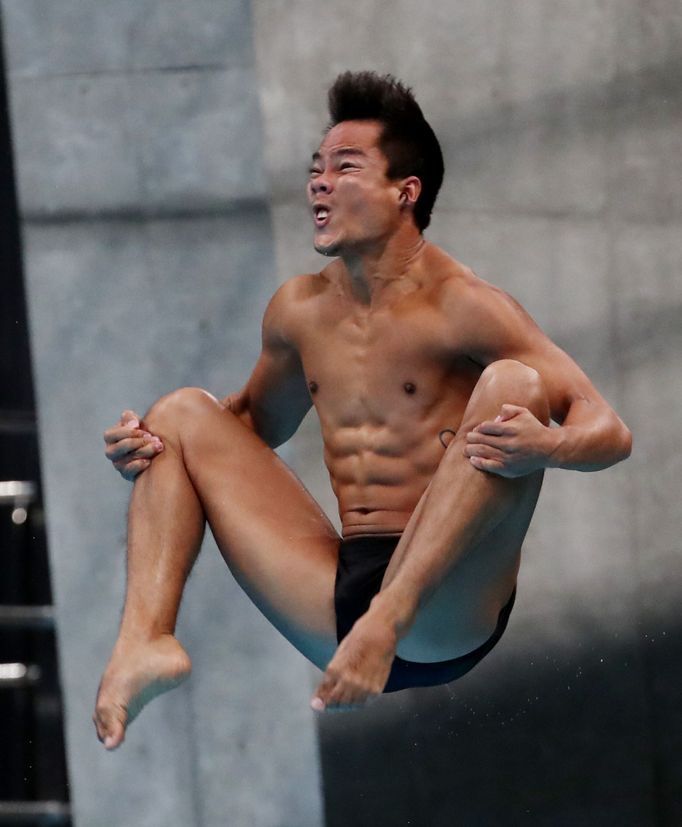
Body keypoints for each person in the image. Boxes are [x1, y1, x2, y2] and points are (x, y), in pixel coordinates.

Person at [93, 71, 631, 749]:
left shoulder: (462, 304)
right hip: (337, 598)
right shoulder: (299, 311)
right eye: (315, 169)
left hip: (444, 608)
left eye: (345, 168)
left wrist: (545, 447)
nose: (319, 183)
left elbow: (608, 429)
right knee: (177, 414)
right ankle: (144, 640)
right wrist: (146, 452)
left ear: (405, 193)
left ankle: (386, 621)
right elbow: (250, 427)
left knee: (514, 385)